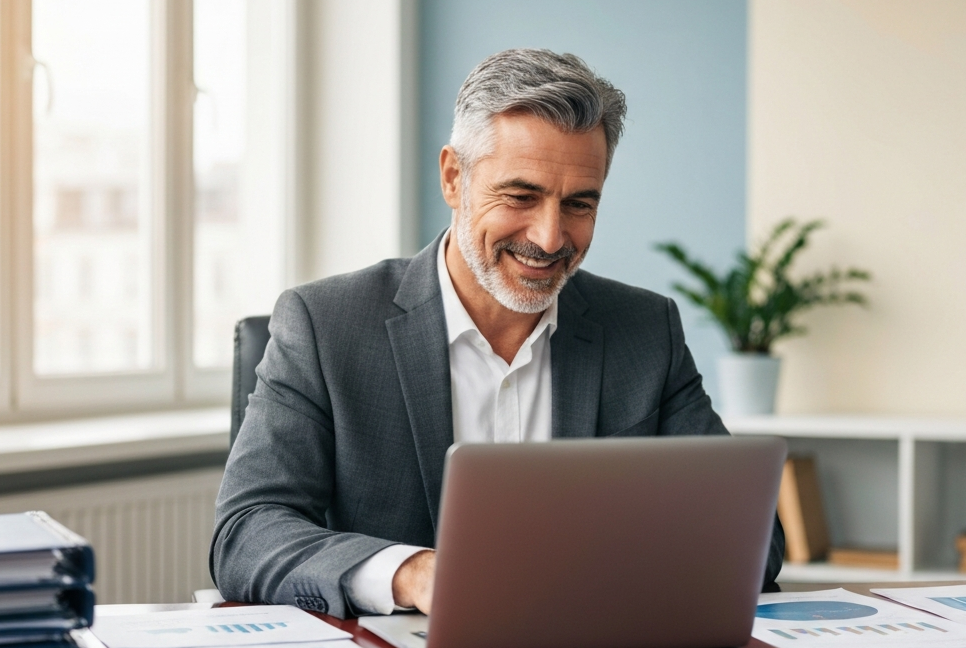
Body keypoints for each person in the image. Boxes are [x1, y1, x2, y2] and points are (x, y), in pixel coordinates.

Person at [211, 48, 784, 617]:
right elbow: (246, 532)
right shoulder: (325, 326)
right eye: (521, 196)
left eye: (579, 205)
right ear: (454, 178)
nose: (551, 236)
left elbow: (754, 543)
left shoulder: (644, 332)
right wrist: (411, 574)